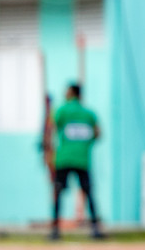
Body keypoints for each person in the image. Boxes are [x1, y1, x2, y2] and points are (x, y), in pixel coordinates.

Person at [50, 82, 104, 240]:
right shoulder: (89, 114)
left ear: (71, 93)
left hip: (64, 158)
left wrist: (49, 151)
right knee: (88, 192)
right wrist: (85, 144)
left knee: (58, 192)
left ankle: (55, 230)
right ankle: (95, 228)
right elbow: (98, 134)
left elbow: (51, 126)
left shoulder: (62, 110)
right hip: (82, 159)